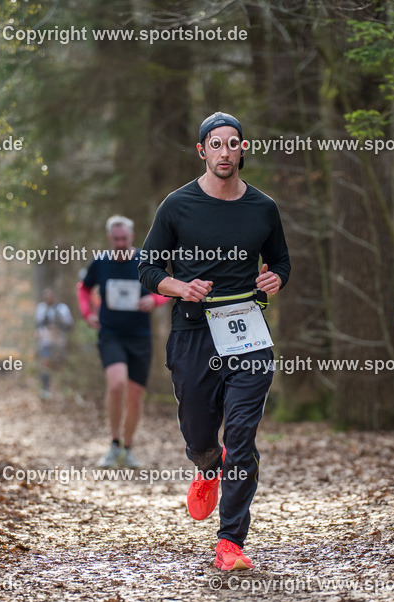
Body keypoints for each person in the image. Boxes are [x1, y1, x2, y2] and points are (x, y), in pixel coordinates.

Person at [138, 112, 290, 571]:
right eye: (216, 144)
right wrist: (180, 287)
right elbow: (148, 269)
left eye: (233, 143)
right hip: (193, 331)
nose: (226, 152)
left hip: (246, 330)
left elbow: (281, 260)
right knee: (200, 430)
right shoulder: (177, 206)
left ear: (243, 149)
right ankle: (207, 465)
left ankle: (230, 541)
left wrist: (275, 278)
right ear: (202, 151)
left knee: (242, 434)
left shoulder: (263, 208)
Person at [79, 215, 169, 469]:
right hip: (110, 334)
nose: (120, 243)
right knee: (117, 384)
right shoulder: (101, 262)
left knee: (136, 395)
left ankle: (128, 448)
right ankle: (114, 443)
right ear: (110, 238)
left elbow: (165, 288)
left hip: (140, 337)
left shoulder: (145, 260)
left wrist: (155, 300)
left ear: (131, 237)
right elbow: (84, 288)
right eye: (115, 239)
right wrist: (88, 314)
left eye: (124, 238)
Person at [35, 288, 73, 400]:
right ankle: (45, 389)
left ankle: (62, 388)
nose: (47, 298)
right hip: (45, 340)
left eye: (49, 296)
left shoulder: (62, 308)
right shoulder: (41, 308)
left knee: (60, 363)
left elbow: (69, 325)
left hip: (59, 340)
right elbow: (38, 324)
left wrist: (58, 329)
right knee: (45, 362)